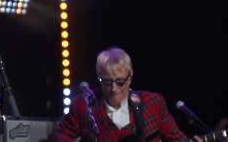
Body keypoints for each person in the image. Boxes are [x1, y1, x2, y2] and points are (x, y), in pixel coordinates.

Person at [48, 46, 190, 142]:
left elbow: (177, 139)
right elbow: (58, 136)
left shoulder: (153, 103)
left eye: (120, 82)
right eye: (107, 82)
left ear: (130, 77)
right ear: (99, 77)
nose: (114, 89)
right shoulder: (84, 105)